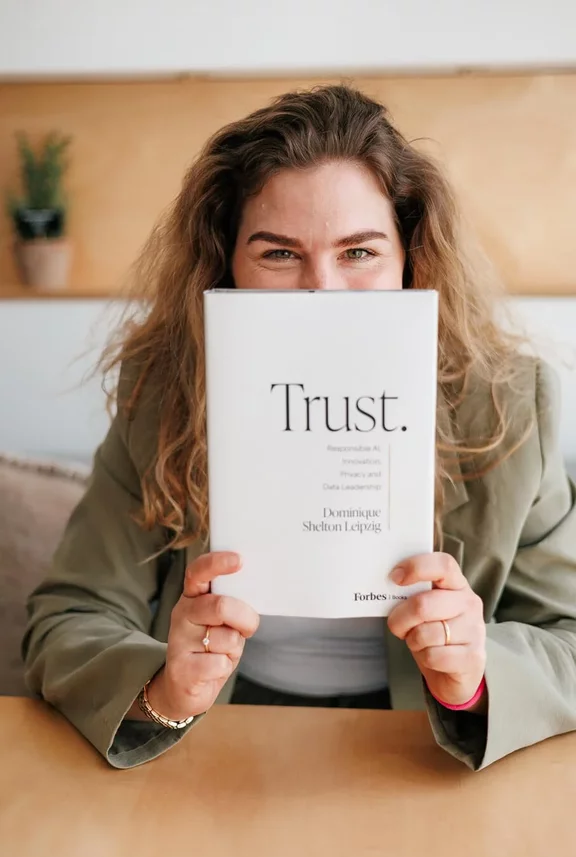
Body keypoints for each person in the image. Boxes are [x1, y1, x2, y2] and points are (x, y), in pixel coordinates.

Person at [23, 84, 576, 771]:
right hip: (224, 728)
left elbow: (570, 636)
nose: (323, 291)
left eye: (360, 252)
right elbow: (68, 616)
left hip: (423, 743)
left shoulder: (512, 405)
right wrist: (165, 688)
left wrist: (476, 679)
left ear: (411, 261)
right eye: (279, 254)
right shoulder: (161, 392)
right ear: (225, 264)